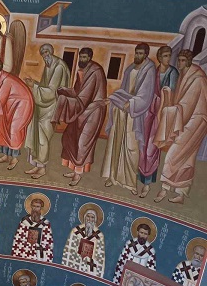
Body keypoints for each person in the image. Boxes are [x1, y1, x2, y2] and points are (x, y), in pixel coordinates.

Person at [101, 43, 160, 198]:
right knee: (116, 143)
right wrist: (113, 99)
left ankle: (130, 183)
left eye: (141, 53)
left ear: (146, 54)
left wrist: (132, 103)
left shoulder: (149, 70)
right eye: (136, 52)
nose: (137, 55)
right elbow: (123, 90)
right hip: (122, 111)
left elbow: (146, 95)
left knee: (131, 148)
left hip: (136, 115)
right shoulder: (129, 68)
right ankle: (113, 177)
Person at [154, 49, 207, 205]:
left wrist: (170, 111)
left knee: (174, 154)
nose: (179, 63)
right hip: (188, 119)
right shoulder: (184, 74)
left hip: (196, 121)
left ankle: (165, 188)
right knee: (186, 158)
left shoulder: (197, 78)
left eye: (183, 60)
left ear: (189, 61)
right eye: (179, 60)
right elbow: (180, 101)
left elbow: (187, 105)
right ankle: (180, 193)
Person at [52, 47, 107, 187]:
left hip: (93, 110)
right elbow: (77, 92)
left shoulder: (95, 72)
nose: (82, 59)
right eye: (81, 57)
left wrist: (64, 100)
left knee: (83, 142)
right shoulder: (82, 71)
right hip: (82, 109)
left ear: (90, 58)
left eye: (84, 57)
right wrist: (64, 91)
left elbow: (84, 98)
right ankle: (74, 169)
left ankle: (78, 173)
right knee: (70, 137)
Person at [24, 44, 70, 179]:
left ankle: (42, 168)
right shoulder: (49, 65)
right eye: (42, 53)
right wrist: (35, 83)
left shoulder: (59, 67)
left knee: (43, 137)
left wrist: (34, 86)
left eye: (46, 52)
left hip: (52, 107)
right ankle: (37, 164)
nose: (44, 55)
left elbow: (51, 92)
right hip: (42, 105)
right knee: (36, 135)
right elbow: (45, 86)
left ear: (51, 52)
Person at [62, 204, 106, 277]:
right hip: (75, 263)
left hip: (89, 267)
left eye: (92, 217)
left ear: (95, 219)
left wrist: (89, 261)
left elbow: (100, 256)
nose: (89, 219)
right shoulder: (76, 231)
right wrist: (78, 258)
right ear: (85, 217)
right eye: (88, 216)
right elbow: (69, 250)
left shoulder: (99, 236)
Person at [12, 194, 54, 262]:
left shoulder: (45, 223)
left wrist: (40, 247)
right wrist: (25, 245)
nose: (35, 208)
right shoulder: (24, 221)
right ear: (31, 206)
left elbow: (48, 242)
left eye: (38, 207)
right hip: (24, 251)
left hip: (37, 253)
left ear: (41, 208)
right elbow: (18, 238)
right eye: (34, 206)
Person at [113, 219, 157, 284]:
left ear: (148, 235)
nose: (143, 236)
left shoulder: (150, 250)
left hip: (140, 282)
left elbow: (151, 270)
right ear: (137, 232)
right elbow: (121, 262)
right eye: (141, 233)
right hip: (126, 278)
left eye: (145, 234)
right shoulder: (129, 244)